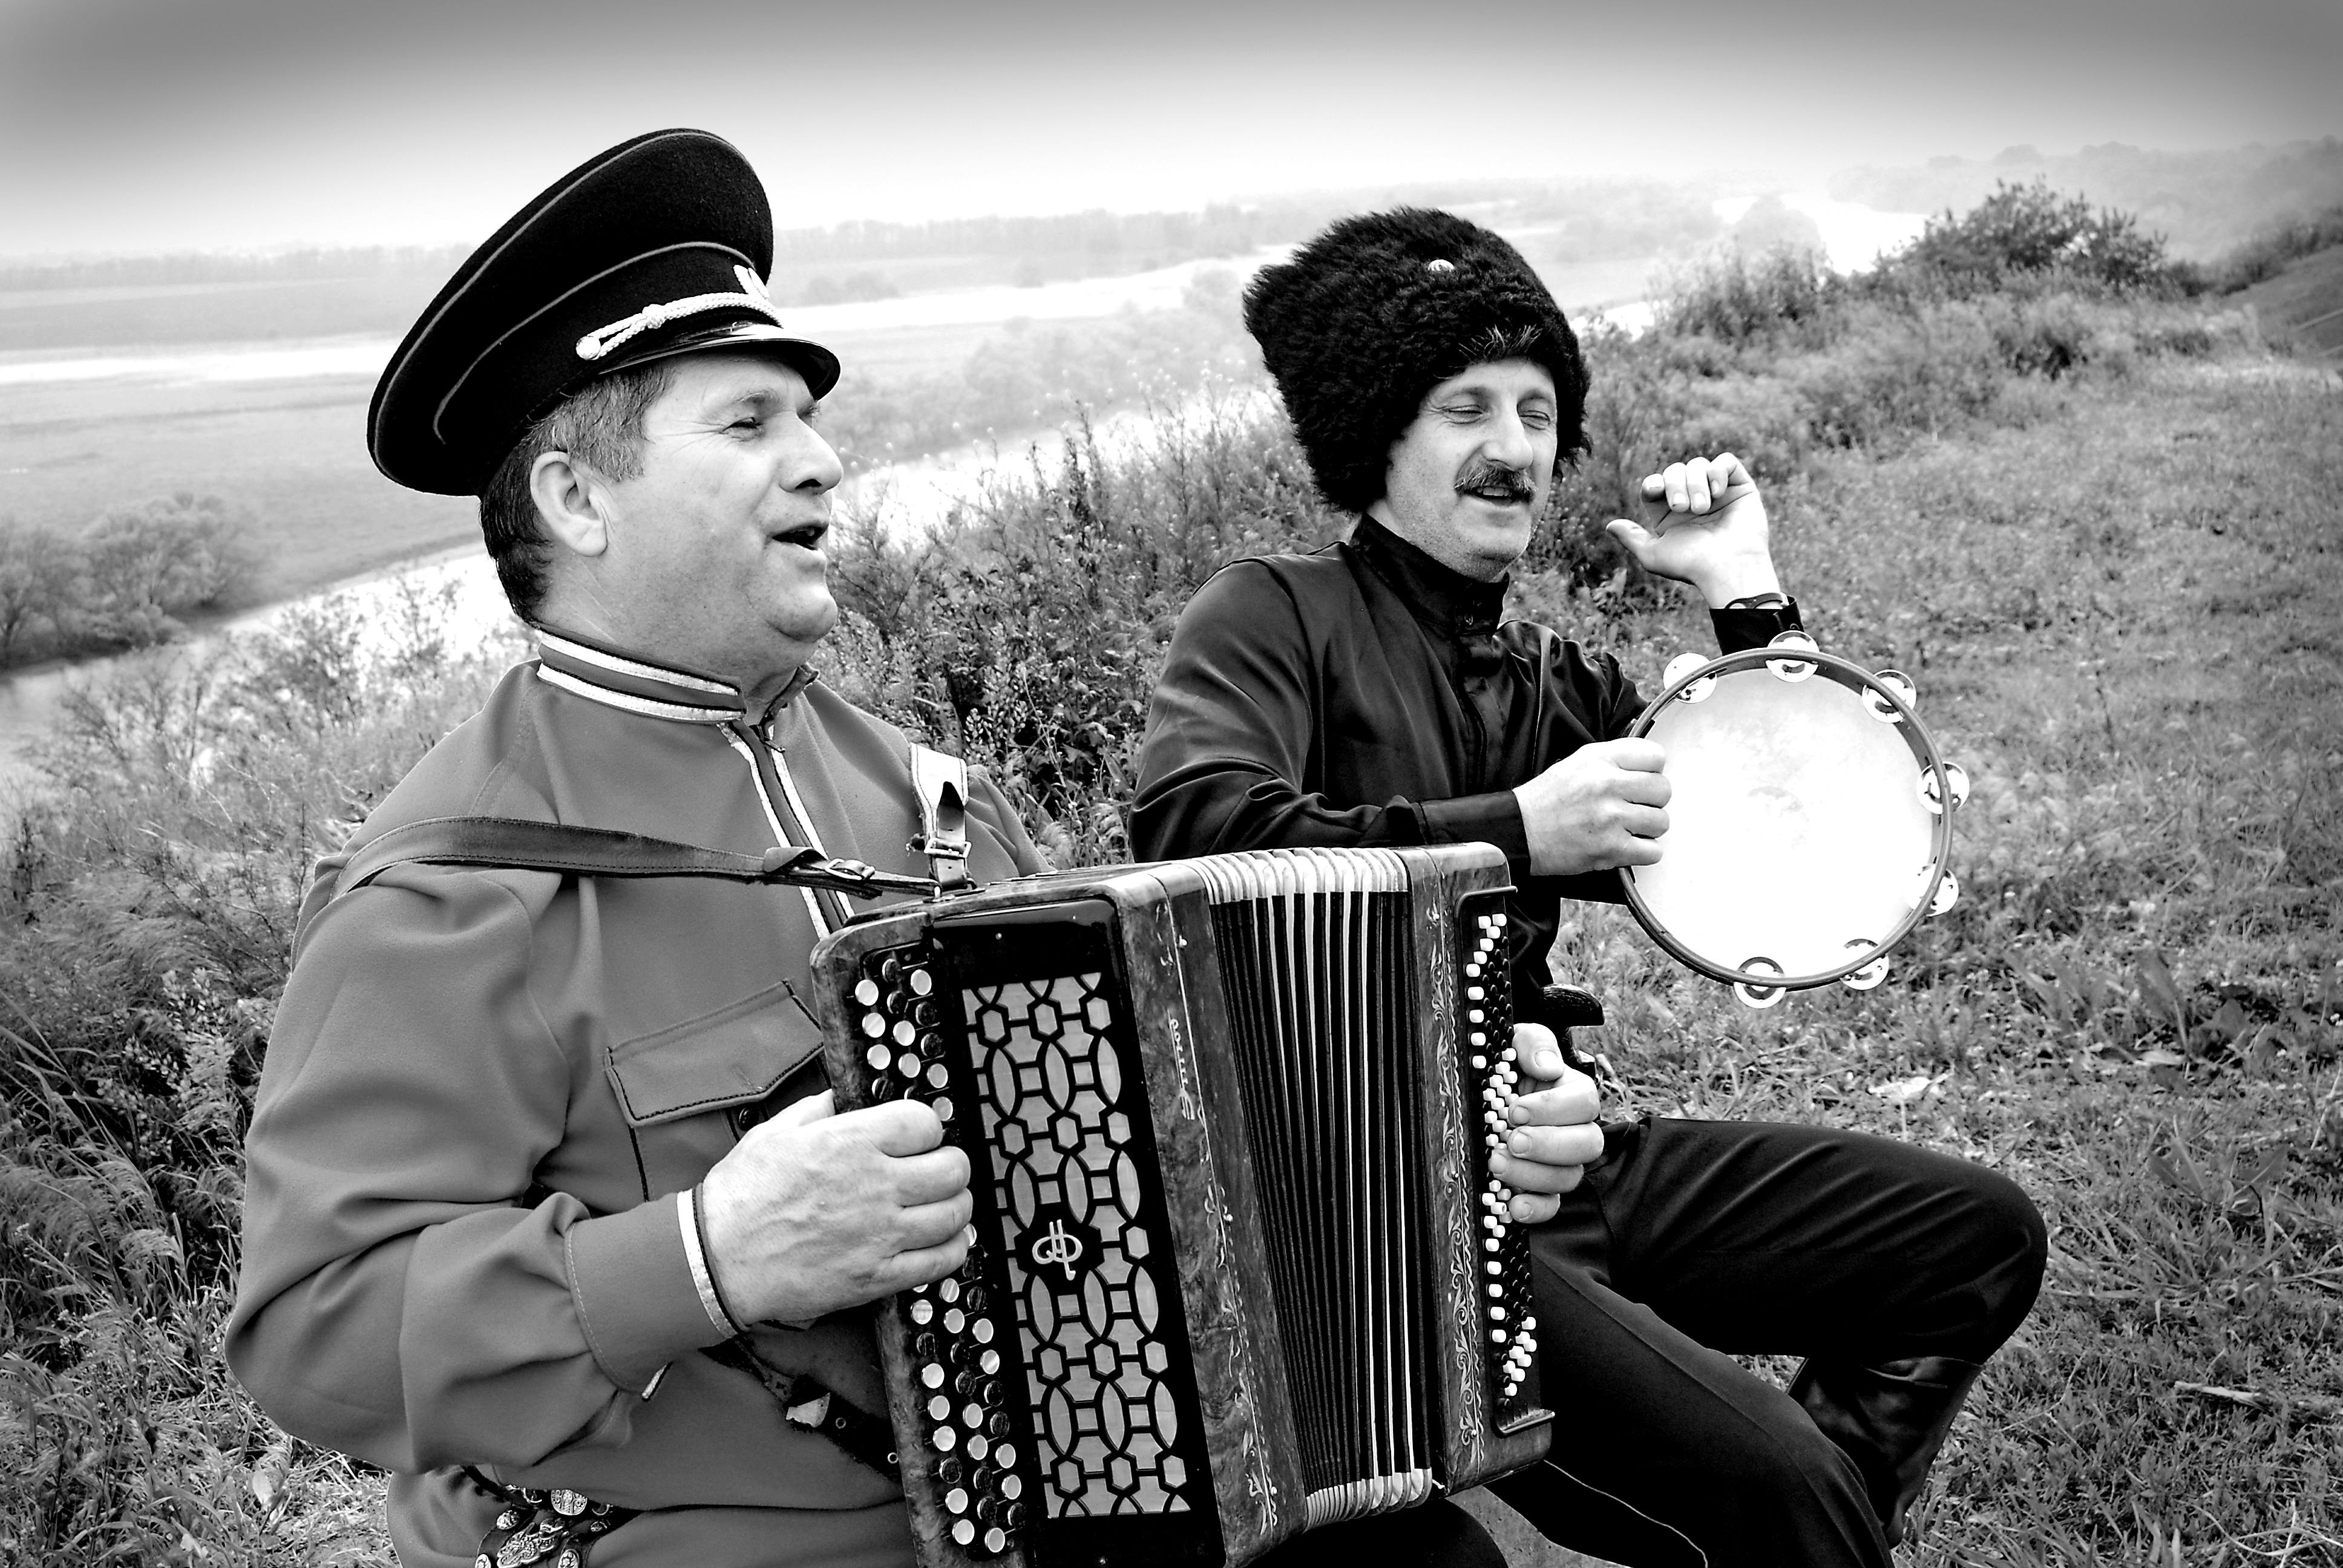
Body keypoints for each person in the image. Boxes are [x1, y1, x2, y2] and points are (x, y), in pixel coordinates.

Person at [1132, 209, 2048, 1568]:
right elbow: (1191, 831)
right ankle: (1794, 1523)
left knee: (1971, 1240)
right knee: (1784, 1495)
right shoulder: (1270, 613)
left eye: (1537, 409)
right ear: (1377, 435)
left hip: (1567, 1158)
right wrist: (1514, 828)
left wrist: (1744, 590)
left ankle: (1798, 1529)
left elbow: (1790, 856)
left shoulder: (1561, 684)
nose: (1513, 445)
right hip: (1399, 1232)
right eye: (1464, 408)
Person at [226, 130, 1048, 1568]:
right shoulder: (448, 896)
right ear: (577, 502)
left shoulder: (930, 797)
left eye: (806, 416)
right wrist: (707, 1260)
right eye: (748, 425)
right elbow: (314, 1336)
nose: (822, 455)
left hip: (1060, 1500)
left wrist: (1457, 1121)